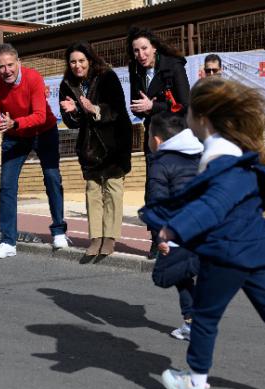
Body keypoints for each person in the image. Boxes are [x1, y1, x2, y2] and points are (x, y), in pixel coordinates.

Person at [139, 77, 265, 389]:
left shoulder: (223, 160)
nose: (187, 116)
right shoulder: (231, 155)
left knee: (204, 318)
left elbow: (213, 205)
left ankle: (195, 385)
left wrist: (172, 230)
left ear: (204, 119)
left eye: (191, 110)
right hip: (254, 248)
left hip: (227, 251)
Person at [0, 43, 68, 259]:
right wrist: (1, 124)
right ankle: (7, 241)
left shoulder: (33, 78)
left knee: (52, 178)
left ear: (18, 63)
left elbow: (40, 115)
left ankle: (59, 230)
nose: (7, 71)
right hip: (14, 136)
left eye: (10, 65)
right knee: (6, 187)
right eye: (1, 67)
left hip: (44, 132)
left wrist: (15, 123)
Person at [59, 41, 132, 261]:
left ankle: (110, 237)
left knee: (112, 188)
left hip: (115, 141)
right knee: (92, 189)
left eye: (81, 61)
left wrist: (95, 108)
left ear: (90, 60)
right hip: (90, 144)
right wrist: (74, 112)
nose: (77, 66)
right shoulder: (67, 85)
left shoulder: (107, 76)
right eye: (73, 62)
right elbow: (71, 122)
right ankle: (95, 238)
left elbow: (118, 109)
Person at [127, 26, 190, 259]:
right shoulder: (135, 70)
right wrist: (145, 108)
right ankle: (157, 240)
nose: (140, 55)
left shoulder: (173, 66)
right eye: (136, 51)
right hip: (153, 137)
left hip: (177, 137)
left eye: (144, 49)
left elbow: (185, 105)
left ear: (154, 47)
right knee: (154, 191)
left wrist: (154, 106)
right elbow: (137, 104)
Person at [146, 111, 203, 341]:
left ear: (157, 141)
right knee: (183, 275)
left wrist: (160, 237)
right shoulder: (201, 153)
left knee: (163, 275)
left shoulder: (161, 163)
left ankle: (196, 320)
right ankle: (192, 320)